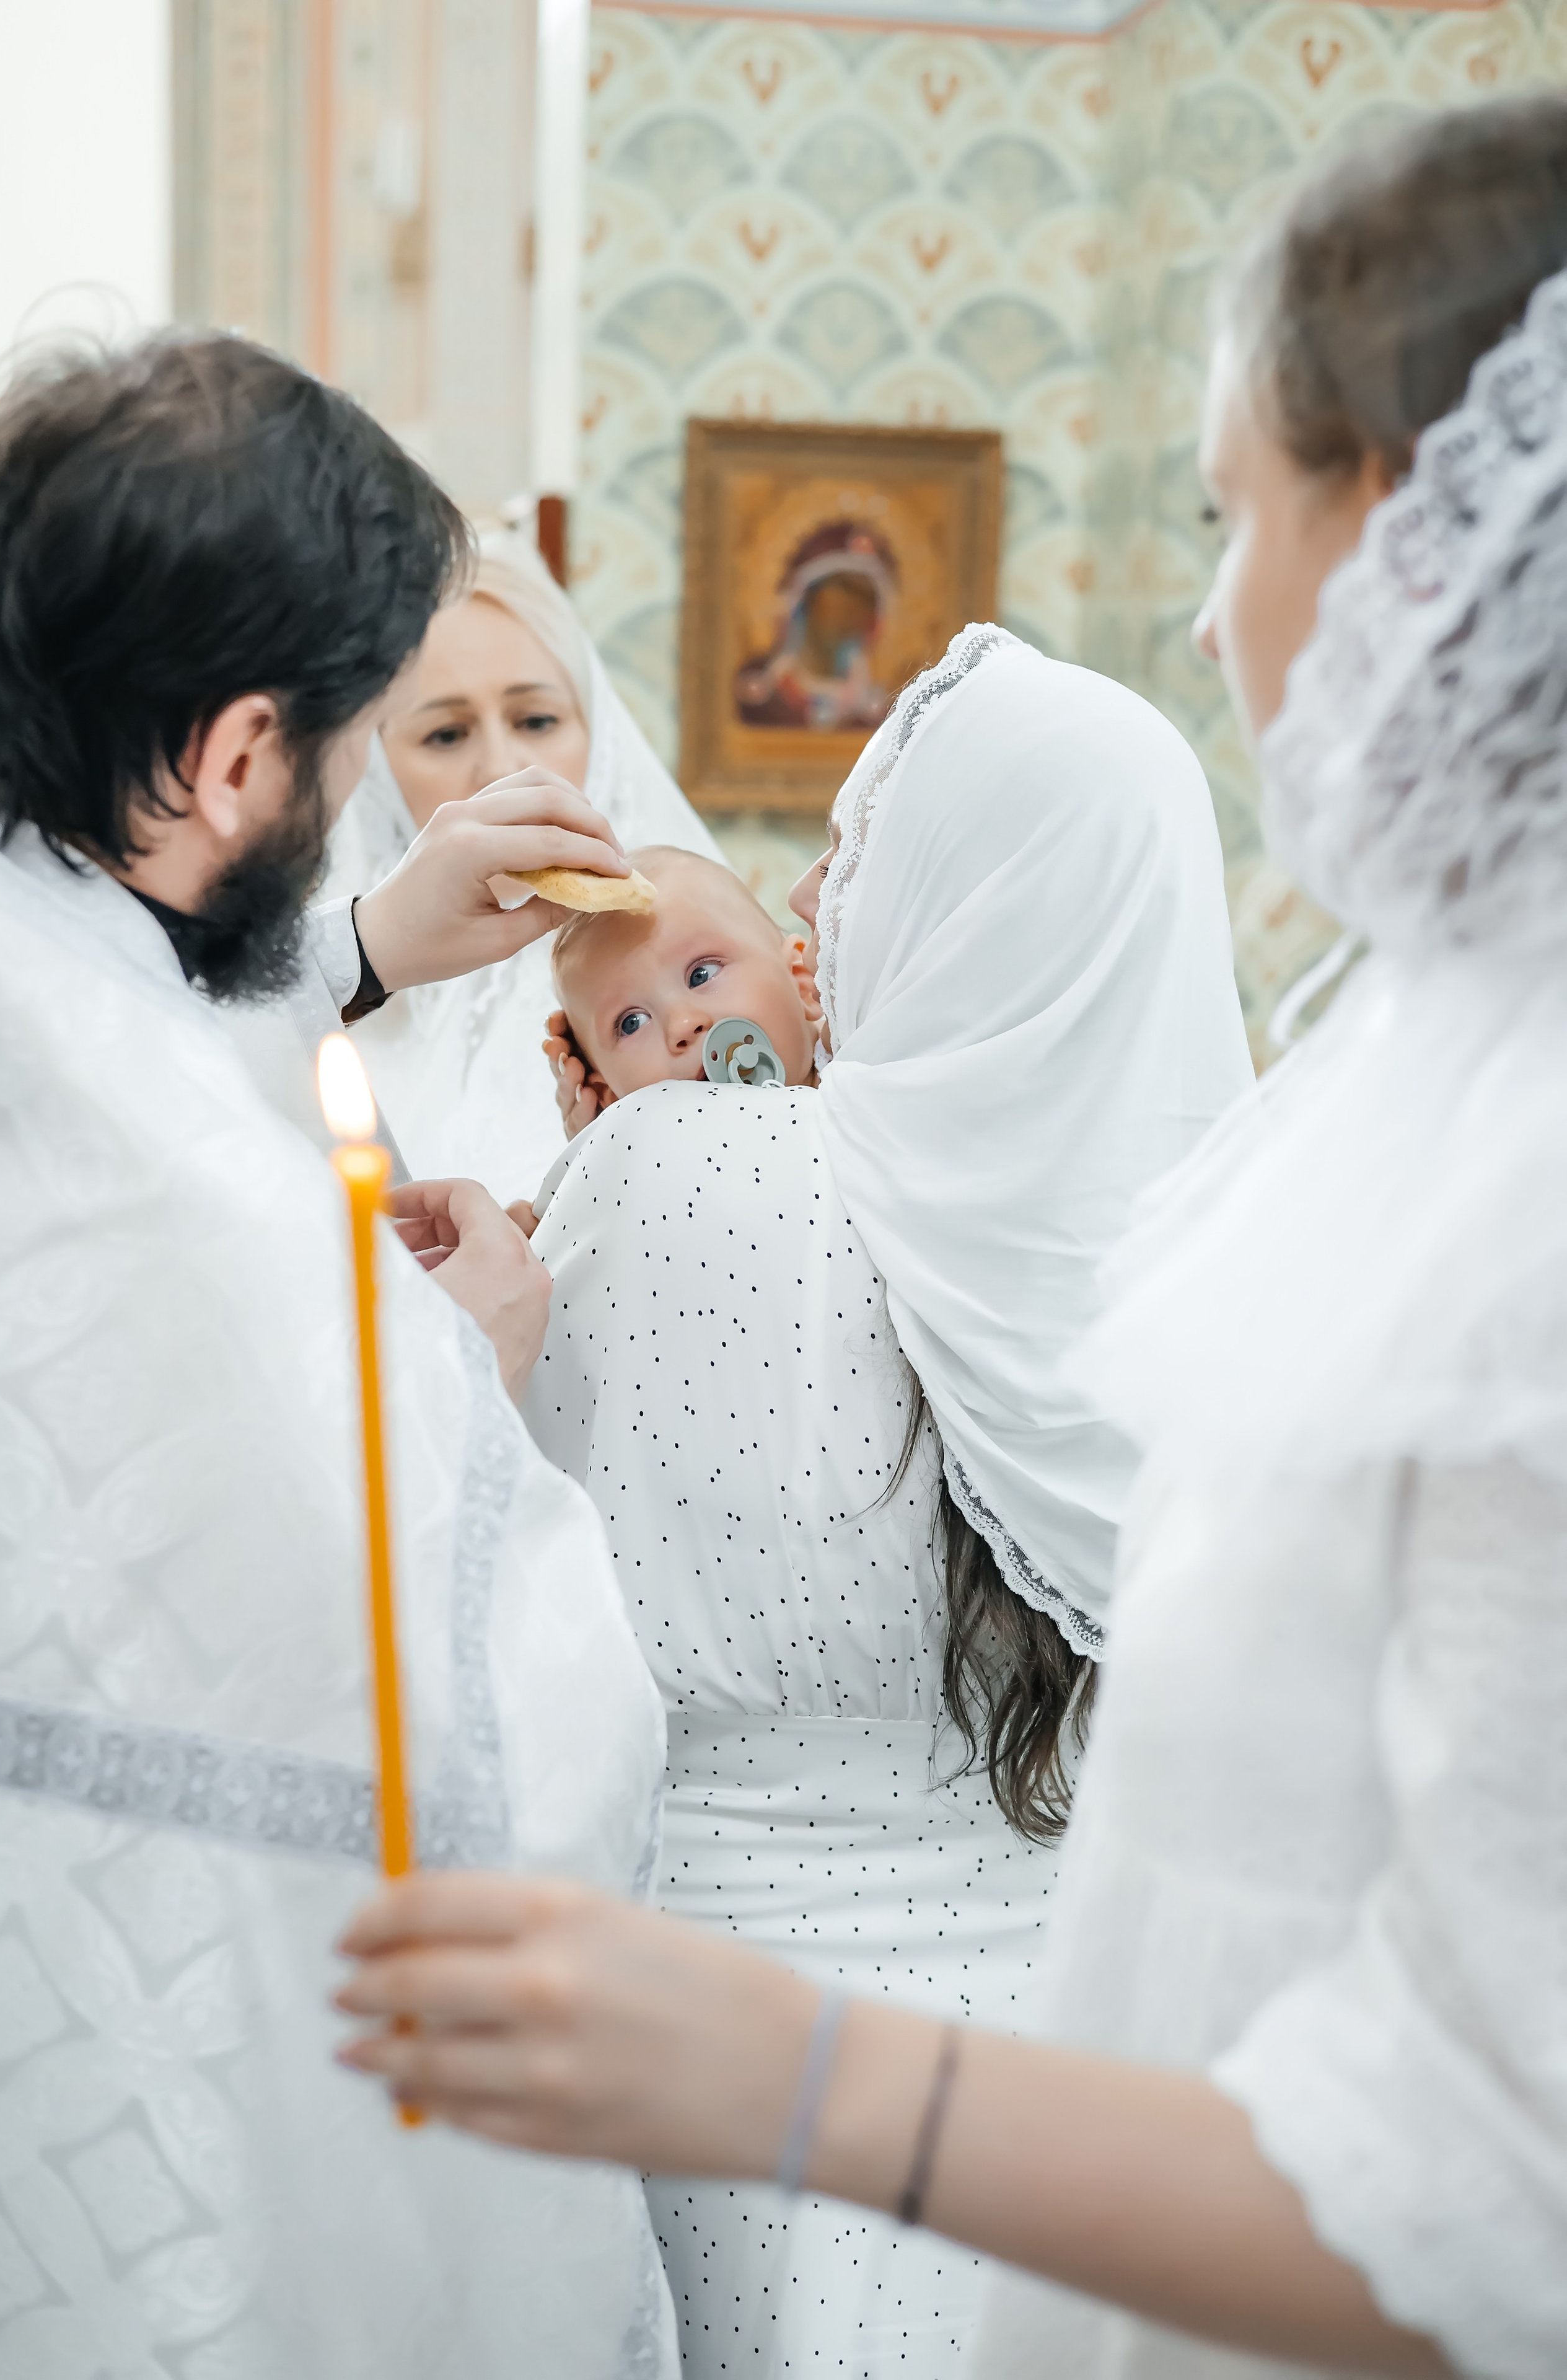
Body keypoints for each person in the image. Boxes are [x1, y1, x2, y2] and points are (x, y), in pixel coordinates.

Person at [336, 97, 1567, 2380]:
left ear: (1399, 524)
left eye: (1224, 512)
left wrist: (800, 2077)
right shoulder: (1369, 1102)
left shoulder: (1502, 1204)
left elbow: (1499, 2171)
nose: (1207, 609)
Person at [0, 332, 679, 2379]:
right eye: (371, 734)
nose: (382, 790)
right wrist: (445, 1376)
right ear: (233, 762)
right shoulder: (219, 1241)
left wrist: (361, 949)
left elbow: (127, 983)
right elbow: (528, 1765)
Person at [514, 623, 1250, 2373]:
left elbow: (527, 1536)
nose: (825, 897)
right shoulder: (1201, 1230)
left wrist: (596, 1159)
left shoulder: (674, 1167)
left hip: (722, 2031)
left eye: (854, 852)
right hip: (1075, 2054)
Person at [320, 525, 721, 1195]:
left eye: (536, 721)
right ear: (381, 774)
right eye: (446, 733)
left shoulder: (700, 968)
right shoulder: (318, 992)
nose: (502, 767)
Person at [543, 843, 824, 1113]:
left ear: (802, 983)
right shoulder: (647, 1158)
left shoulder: (860, 1061)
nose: (682, 1026)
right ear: (611, 1099)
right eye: (632, 1023)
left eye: (702, 975)